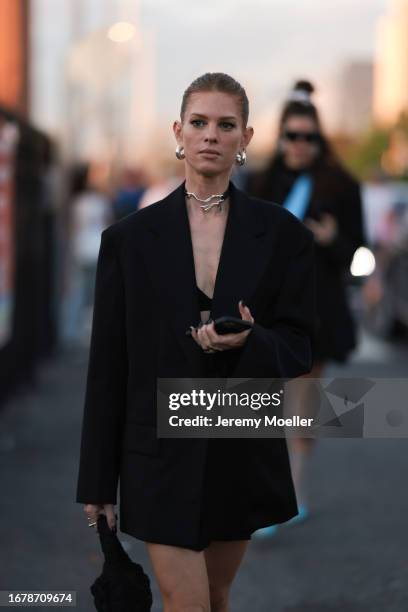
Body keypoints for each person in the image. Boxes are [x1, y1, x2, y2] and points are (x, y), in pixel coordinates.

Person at [76, 73, 315, 612]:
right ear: (178, 131)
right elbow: (107, 367)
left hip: (239, 440)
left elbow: (300, 346)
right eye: (199, 123)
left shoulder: (281, 235)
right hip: (157, 449)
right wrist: (97, 482)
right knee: (186, 602)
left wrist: (250, 343)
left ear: (246, 138)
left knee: (216, 596)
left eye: (225, 125)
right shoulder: (128, 241)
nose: (211, 135)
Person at [247, 80, 366, 531]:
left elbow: (359, 250)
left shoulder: (342, 185)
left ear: (320, 139)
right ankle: (265, 493)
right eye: (292, 136)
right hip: (264, 312)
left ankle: (293, 496)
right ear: (280, 137)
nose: (299, 145)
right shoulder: (260, 182)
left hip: (317, 311)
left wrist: (334, 240)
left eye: (308, 137)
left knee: (302, 408)